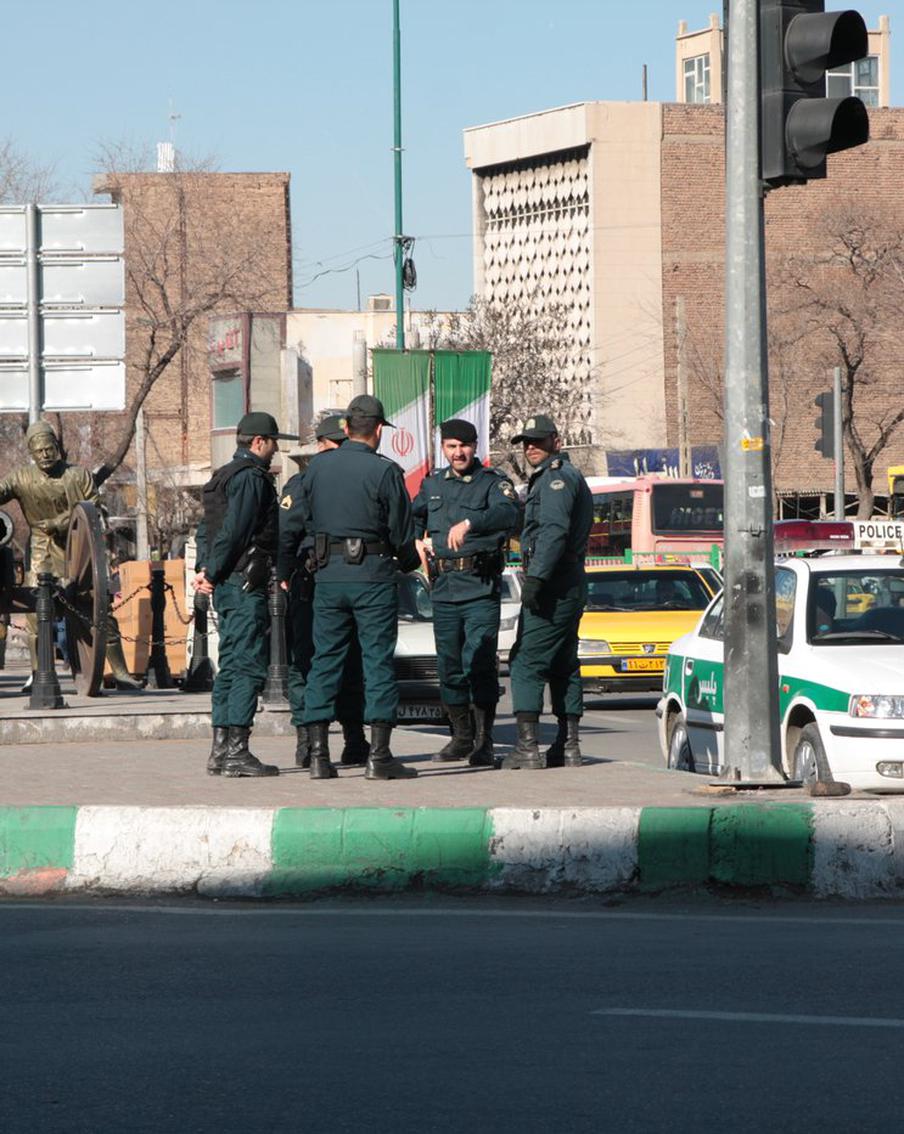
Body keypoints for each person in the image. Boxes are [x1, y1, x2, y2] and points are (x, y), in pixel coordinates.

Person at [299, 394, 422, 781]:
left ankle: (319, 755)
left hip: (328, 577)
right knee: (376, 662)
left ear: (347, 428)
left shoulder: (316, 469)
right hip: (372, 577)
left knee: (325, 661)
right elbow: (402, 533)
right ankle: (379, 756)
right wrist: (409, 562)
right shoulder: (385, 472)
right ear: (380, 430)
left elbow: (303, 520)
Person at [0, 419, 142, 691]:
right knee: (35, 611)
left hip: (79, 549)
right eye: (38, 451)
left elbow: (96, 510)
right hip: (42, 548)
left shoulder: (78, 476)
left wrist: (61, 523)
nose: (44, 455)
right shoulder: (21, 478)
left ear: (57, 447)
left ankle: (121, 672)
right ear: (30, 452)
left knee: (100, 608)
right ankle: (37, 673)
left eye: (49, 448)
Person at [412, 417, 521, 766]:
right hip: (443, 589)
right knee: (449, 665)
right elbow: (414, 515)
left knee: (479, 661)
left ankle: (484, 740)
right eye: (452, 447)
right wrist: (415, 538)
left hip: (479, 586)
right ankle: (460, 737)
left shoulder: (492, 483)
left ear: (476, 447)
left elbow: (508, 512)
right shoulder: (432, 485)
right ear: (443, 448)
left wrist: (471, 522)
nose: (458, 453)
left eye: (465, 446)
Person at [195, 411, 296, 777]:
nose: (275, 450)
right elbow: (235, 532)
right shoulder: (252, 479)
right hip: (243, 584)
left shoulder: (221, 477)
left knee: (230, 664)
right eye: (273, 443)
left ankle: (220, 750)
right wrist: (212, 570)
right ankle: (237, 750)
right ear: (258, 442)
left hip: (227, 583)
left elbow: (205, 532)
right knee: (247, 665)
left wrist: (206, 572)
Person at [277, 413, 369, 769]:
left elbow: (286, 532)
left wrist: (283, 571)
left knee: (327, 661)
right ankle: (315, 740)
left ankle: (339, 741)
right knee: (320, 659)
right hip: (319, 581)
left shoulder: (305, 483)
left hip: (320, 580)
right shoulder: (306, 484)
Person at [504, 414, 593, 769]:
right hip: (567, 580)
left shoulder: (556, 478)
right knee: (563, 662)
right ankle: (568, 745)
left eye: (538, 441)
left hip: (555, 583)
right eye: (526, 442)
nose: (530, 448)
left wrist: (537, 579)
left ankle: (528, 748)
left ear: (556, 442)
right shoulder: (560, 476)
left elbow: (554, 532)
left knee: (526, 660)